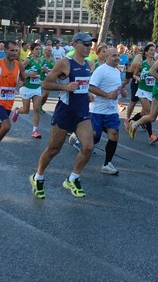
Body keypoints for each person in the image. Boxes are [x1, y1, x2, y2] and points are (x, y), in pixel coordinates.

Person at [29, 32, 95, 199]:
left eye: (90, 44)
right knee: (53, 149)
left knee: (88, 147)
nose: (89, 47)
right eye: (85, 44)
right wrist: (65, 88)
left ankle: (73, 178)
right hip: (65, 112)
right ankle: (38, 178)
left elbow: (81, 86)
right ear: (74, 44)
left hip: (82, 112)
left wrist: (87, 93)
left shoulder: (88, 64)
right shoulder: (64, 63)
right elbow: (46, 83)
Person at [89, 47, 128, 174]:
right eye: (114, 56)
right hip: (97, 111)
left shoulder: (117, 71)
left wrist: (122, 93)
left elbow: (115, 91)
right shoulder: (100, 70)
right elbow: (91, 87)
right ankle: (78, 137)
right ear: (107, 57)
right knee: (93, 139)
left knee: (114, 135)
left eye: (118, 55)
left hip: (111, 111)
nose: (117, 58)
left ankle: (107, 164)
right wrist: (106, 95)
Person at [126, 43, 158, 145]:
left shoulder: (157, 64)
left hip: (152, 91)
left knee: (144, 113)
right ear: (146, 52)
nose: (153, 52)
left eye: (154, 50)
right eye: (151, 50)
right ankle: (151, 136)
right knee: (149, 113)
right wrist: (137, 78)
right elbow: (134, 75)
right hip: (142, 90)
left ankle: (131, 121)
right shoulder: (142, 64)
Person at [18, 42, 44, 138]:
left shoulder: (41, 60)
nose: (38, 51)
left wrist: (43, 70)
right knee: (26, 110)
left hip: (36, 88)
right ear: (32, 51)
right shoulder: (28, 61)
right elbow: (19, 70)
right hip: (27, 88)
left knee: (37, 109)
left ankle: (35, 130)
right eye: (36, 49)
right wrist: (28, 75)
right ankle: (17, 111)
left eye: (39, 49)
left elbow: (38, 71)